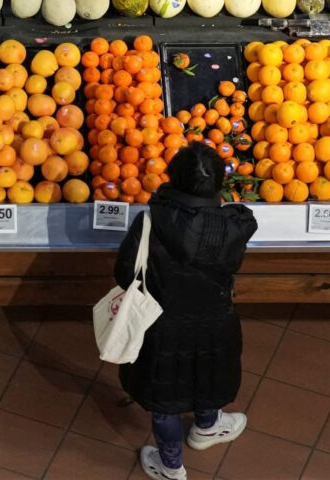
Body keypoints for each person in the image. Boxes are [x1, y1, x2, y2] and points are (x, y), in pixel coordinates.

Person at [114, 142, 258, 480]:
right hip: (215, 321)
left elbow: (125, 273)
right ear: (219, 183)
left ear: (172, 178)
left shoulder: (150, 222)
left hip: (161, 326)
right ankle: (207, 426)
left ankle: (171, 466)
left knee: (165, 399)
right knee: (210, 375)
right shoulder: (234, 226)